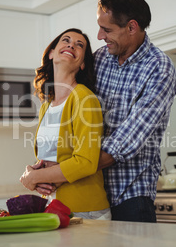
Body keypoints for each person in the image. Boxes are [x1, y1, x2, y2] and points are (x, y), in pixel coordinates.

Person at [94, 0, 176, 222]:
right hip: (93, 193)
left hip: (130, 196)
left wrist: (65, 173)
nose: (100, 35)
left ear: (131, 27)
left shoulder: (160, 69)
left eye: (107, 29)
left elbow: (125, 142)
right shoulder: (99, 59)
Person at [19, 28, 111, 220]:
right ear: (52, 53)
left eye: (80, 45)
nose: (71, 45)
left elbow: (86, 162)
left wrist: (35, 178)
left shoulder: (85, 98)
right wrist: (36, 173)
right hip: (56, 207)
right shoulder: (46, 106)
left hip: (86, 210)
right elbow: (53, 158)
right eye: (66, 40)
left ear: (83, 63)